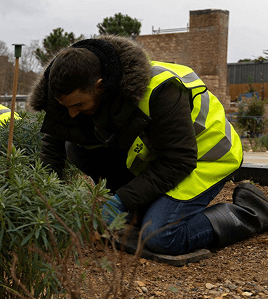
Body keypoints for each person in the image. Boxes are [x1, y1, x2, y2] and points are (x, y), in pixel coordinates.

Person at [28, 34, 268, 257]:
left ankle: (250, 211)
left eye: (78, 104)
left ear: (101, 86)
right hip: (162, 157)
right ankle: (140, 209)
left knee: (161, 237)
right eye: (65, 106)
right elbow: (53, 147)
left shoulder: (160, 90)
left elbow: (178, 161)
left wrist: (120, 200)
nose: (71, 113)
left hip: (206, 157)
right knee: (75, 147)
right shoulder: (68, 91)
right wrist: (47, 203)